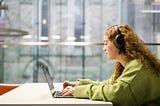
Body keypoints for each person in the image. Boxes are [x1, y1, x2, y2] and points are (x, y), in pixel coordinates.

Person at [60, 24, 160, 106]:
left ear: (119, 42)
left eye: (106, 43)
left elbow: (115, 93)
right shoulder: (127, 65)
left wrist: (79, 91)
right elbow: (109, 85)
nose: (104, 48)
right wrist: (81, 84)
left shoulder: (138, 66)